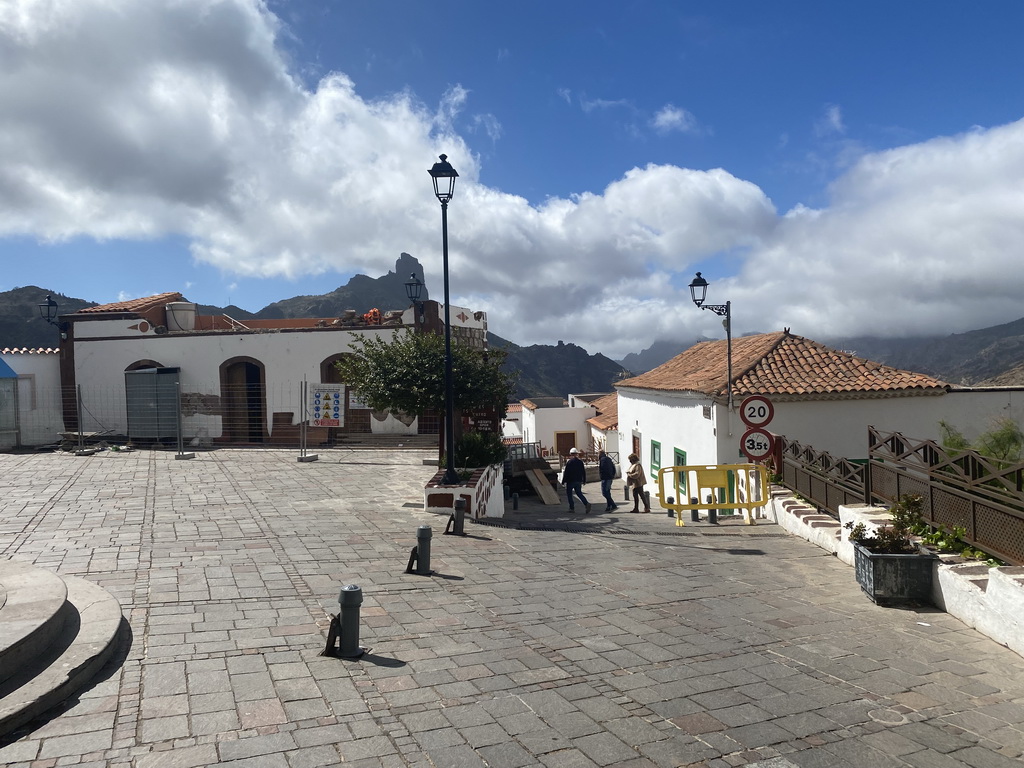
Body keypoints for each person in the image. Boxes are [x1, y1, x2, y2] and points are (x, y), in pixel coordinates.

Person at [561, 447, 591, 514]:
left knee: (569, 494)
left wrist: (563, 481)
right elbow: (583, 471)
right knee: (579, 493)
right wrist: (584, 480)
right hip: (578, 480)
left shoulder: (569, 462)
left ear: (570, 454)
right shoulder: (580, 462)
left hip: (570, 481)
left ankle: (572, 508)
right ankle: (586, 504)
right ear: (576, 454)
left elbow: (566, 472)